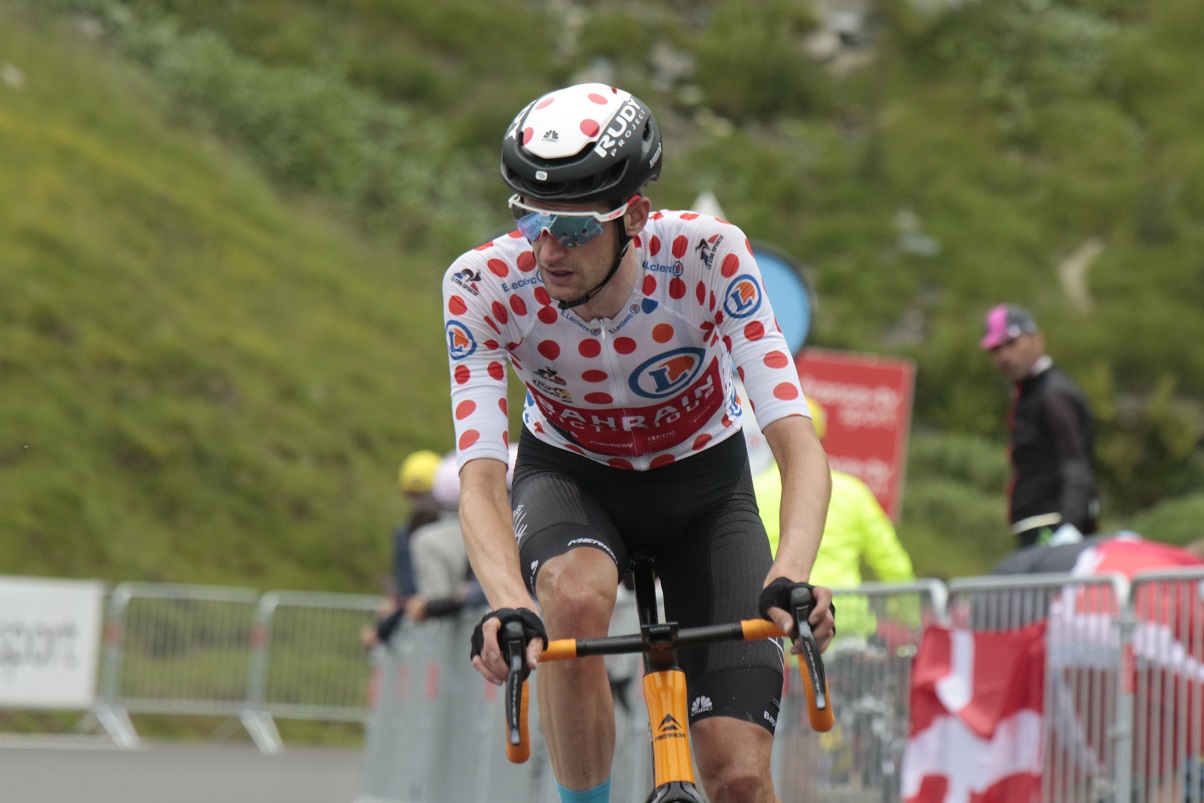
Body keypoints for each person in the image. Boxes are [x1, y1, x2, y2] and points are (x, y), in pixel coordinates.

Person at [441, 83, 835, 803]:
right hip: (572, 479)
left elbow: (797, 443)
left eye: (574, 228)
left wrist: (792, 571)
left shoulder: (708, 255)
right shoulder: (482, 283)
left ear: (635, 216)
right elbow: (482, 479)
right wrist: (507, 602)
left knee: (739, 777)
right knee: (573, 595)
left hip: (704, 491)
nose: (547, 250)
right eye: (532, 219)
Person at [980, 303, 1100, 549]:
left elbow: (1075, 466)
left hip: (1054, 526)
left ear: (1036, 340)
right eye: (995, 349)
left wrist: (1069, 527)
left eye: (1011, 343)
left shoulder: (1052, 395)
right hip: (1038, 523)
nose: (1003, 356)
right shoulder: (1030, 392)